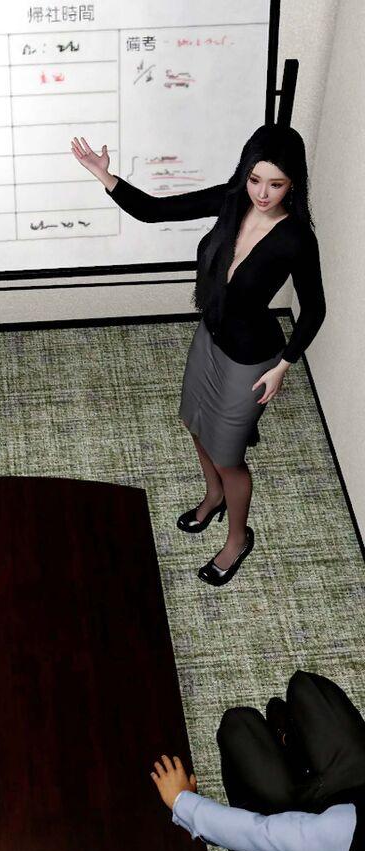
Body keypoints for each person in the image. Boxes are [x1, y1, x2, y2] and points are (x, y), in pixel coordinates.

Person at [71, 125, 326, 586]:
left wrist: (284, 366)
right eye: (255, 180)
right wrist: (104, 175)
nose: (262, 193)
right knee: (194, 423)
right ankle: (214, 497)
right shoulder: (232, 200)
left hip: (252, 359)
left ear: (293, 184)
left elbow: (315, 310)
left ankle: (237, 539)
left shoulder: (296, 239)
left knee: (228, 456)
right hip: (210, 336)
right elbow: (154, 210)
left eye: (275, 184)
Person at [150, 671, 365, 851]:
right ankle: (291, 742)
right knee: (306, 685)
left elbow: (259, 833)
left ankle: (289, 747)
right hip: (356, 787)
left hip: (322, 828)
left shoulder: (339, 835)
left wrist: (183, 803)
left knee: (238, 725)